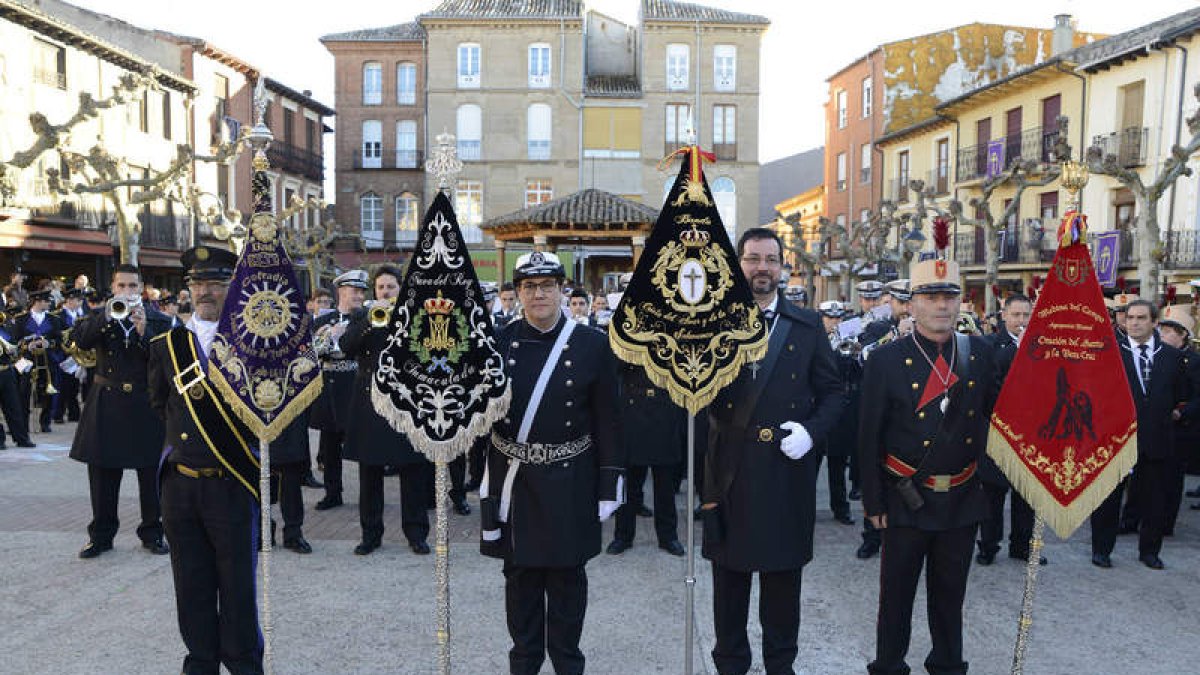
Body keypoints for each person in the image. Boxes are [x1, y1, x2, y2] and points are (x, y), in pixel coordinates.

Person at [701, 228, 841, 675]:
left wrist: (812, 432)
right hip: (729, 472)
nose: (762, 267)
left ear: (783, 266)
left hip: (786, 473)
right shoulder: (710, 326)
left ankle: (781, 666)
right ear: (738, 265)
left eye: (771, 259)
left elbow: (835, 392)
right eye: (753, 258)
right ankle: (730, 666)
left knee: (783, 587)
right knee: (729, 585)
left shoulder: (807, 325)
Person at [480, 251, 623, 675]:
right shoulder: (497, 342)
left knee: (567, 587)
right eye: (529, 286)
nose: (538, 294)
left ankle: (567, 665)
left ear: (562, 289)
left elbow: (609, 422)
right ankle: (523, 665)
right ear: (518, 292)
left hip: (571, 481)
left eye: (546, 286)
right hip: (515, 481)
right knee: (520, 586)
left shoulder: (593, 345)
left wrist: (609, 484)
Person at [859, 254, 997, 675]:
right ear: (912, 303)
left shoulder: (982, 353)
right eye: (932, 297)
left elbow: (996, 419)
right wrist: (873, 502)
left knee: (950, 596)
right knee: (896, 597)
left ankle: (948, 665)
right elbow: (868, 437)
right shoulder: (885, 360)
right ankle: (889, 665)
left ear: (960, 304)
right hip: (906, 499)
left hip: (960, 496)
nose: (942, 306)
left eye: (949, 297)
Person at [148, 245, 263, 674]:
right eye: (198, 284)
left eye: (215, 283)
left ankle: (244, 664)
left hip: (231, 482)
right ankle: (200, 664)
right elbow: (160, 404)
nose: (205, 292)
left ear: (231, 287)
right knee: (191, 586)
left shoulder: (253, 342)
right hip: (180, 485)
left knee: (237, 587)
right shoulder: (167, 345)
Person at [69, 265, 172, 559]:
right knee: (102, 474)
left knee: (151, 475)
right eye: (122, 286)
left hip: (145, 403)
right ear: (113, 288)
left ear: (141, 289)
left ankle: (153, 533)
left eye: (132, 286)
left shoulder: (158, 320)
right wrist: (105, 315)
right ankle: (101, 536)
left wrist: (144, 332)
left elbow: (164, 360)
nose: (127, 292)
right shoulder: (98, 316)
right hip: (107, 401)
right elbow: (82, 340)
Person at [1089, 299, 1198, 570]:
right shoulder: (1109, 353)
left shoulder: (1173, 358)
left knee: (1154, 499)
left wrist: (1179, 413)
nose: (1134, 323)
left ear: (1154, 323)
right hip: (1115, 439)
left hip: (1156, 439)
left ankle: (1149, 551)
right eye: (1130, 318)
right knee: (1108, 499)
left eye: (1141, 318)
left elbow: (1185, 395)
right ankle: (1101, 550)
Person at [339, 265, 433, 556]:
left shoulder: (415, 316)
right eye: (380, 287)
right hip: (371, 405)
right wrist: (369, 320)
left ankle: (416, 533)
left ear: (400, 289)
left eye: (390, 287)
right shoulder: (362, 315)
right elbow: (346, 347)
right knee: (369, 473)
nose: (385, 292)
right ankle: (371, 534)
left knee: (412, 472)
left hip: (405, 402)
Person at [975, 294, 1045, 566]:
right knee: (992, 493)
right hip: (998, 431)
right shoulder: (990, 345)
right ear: (1003, 315)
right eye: (1015, 315)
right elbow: (988, 389)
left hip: (1031, 434)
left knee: (1027, 495)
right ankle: (988, 545)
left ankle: (1022, 545)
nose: (1021, 321)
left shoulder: (1041, 347)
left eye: (1026, 315)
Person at [606, 364, 686, 556]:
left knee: (665, 485)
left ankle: (668, 537)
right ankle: (623, 536)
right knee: (630, 483)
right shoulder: (627, 334)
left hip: (664, 407)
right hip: (633, 409)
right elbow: (615, 363)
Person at [309, 270, 367, 510]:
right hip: (330, 387)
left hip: (355, 386)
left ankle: (368, 495)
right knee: (330, 447)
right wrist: (331, 338)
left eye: (362, 291)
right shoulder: (323, 321)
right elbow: (312, 354)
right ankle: (333, 493)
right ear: (341, 291)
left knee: (363, 447)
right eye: (355, 291)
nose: (360, 296)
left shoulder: (367, 318)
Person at [816, 300, 858, 527]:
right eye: (829, 318)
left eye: (838, 318)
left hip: (840, 410)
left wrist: (851, 352)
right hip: (815, 408)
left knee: (838, 464)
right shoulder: (811, 339)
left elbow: (855, 374)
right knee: (808, 464)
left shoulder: (849, 342)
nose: (834, 322)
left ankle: (840, 507)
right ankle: (803, 508)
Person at [10, 287, 66, 433]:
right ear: (37, 302)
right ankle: (23, 423)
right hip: (26, 360)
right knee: (23, 392)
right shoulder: (21, 319)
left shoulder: (54, 319)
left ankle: (45, 421)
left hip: (48, 360)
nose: (49, 304)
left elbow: (59, 340)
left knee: (49, 391)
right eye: (47, 301)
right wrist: (27, 345)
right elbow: (15, 341)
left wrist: (50, 343)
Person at [53, 287, 87, 423]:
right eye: (78, 300)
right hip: (63, 354)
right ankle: (58, 414)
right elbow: (57, 335)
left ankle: (74, 413)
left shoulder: (80, 315)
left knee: (73, 386)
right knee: (62, 386)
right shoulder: (58, 316)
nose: (80, 303)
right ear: (70, 300)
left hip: (76, 355)